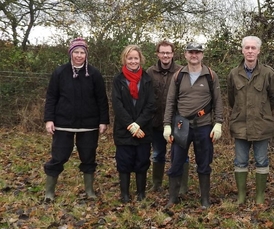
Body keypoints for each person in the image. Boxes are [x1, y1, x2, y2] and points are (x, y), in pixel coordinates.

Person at [43, 37, 109, 201]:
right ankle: (49, 193)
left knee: (88, 157)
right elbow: (51, 97)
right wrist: (49, 119)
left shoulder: (94, 74)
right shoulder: (60, 72)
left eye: (82, 52)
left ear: (86, 54)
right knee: (58, 157)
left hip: (89, 124)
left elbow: (102, 99)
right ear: (71, 53)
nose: (79, 55)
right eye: (76, 52)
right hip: (63, 124)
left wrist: (103, 121)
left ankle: (89, 191)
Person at [163, 42, 223, 208]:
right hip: (182, 125)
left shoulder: (210, 75)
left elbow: (218, 101)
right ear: (185, 54)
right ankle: (173, 197)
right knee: (176, 161)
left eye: (197, 52)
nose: (194, 55)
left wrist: (218, 123)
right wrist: (167, 125)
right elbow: (170, 102)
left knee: (204, 162)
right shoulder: (178, 76)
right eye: (191, 52)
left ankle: (205, 199)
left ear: (202, 55)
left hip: (204, 125)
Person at [227, 36, 274, 205]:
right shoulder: (234, 73)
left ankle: (259, 196)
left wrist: (262, 111)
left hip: (261, 125)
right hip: (240, 125)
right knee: (240, 161)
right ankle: (241, 195)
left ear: (258, 51)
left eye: (253, 48)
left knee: (262, 161)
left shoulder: (268, 73)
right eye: (247, 48)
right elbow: (231, 99)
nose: (250, 51)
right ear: (242, 50)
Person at [111, 45, 155, 202]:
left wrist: (139, 124)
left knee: (142, 160)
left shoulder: (147, 79)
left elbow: (151, 105)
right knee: (124, 161)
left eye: (136, 58)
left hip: (143, 129)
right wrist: (130, 125)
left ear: (140, 59)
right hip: (124, 129)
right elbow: (117, 105)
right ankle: (124, 194)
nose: (133, 61)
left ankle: (141, 193)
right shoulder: (118, 80)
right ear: (125, 59)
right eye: (130, 58)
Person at [146, 40, 189, 194]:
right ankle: (156, 184)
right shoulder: (150, 72)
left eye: (168, 52)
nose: (165, 55)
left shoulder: (182, 71)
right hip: (156, 121)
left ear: (173, 54)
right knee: (158, 153)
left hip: (178, 121)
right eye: (162, 52)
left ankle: (182, 186)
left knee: (181, 155)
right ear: (157, 53)